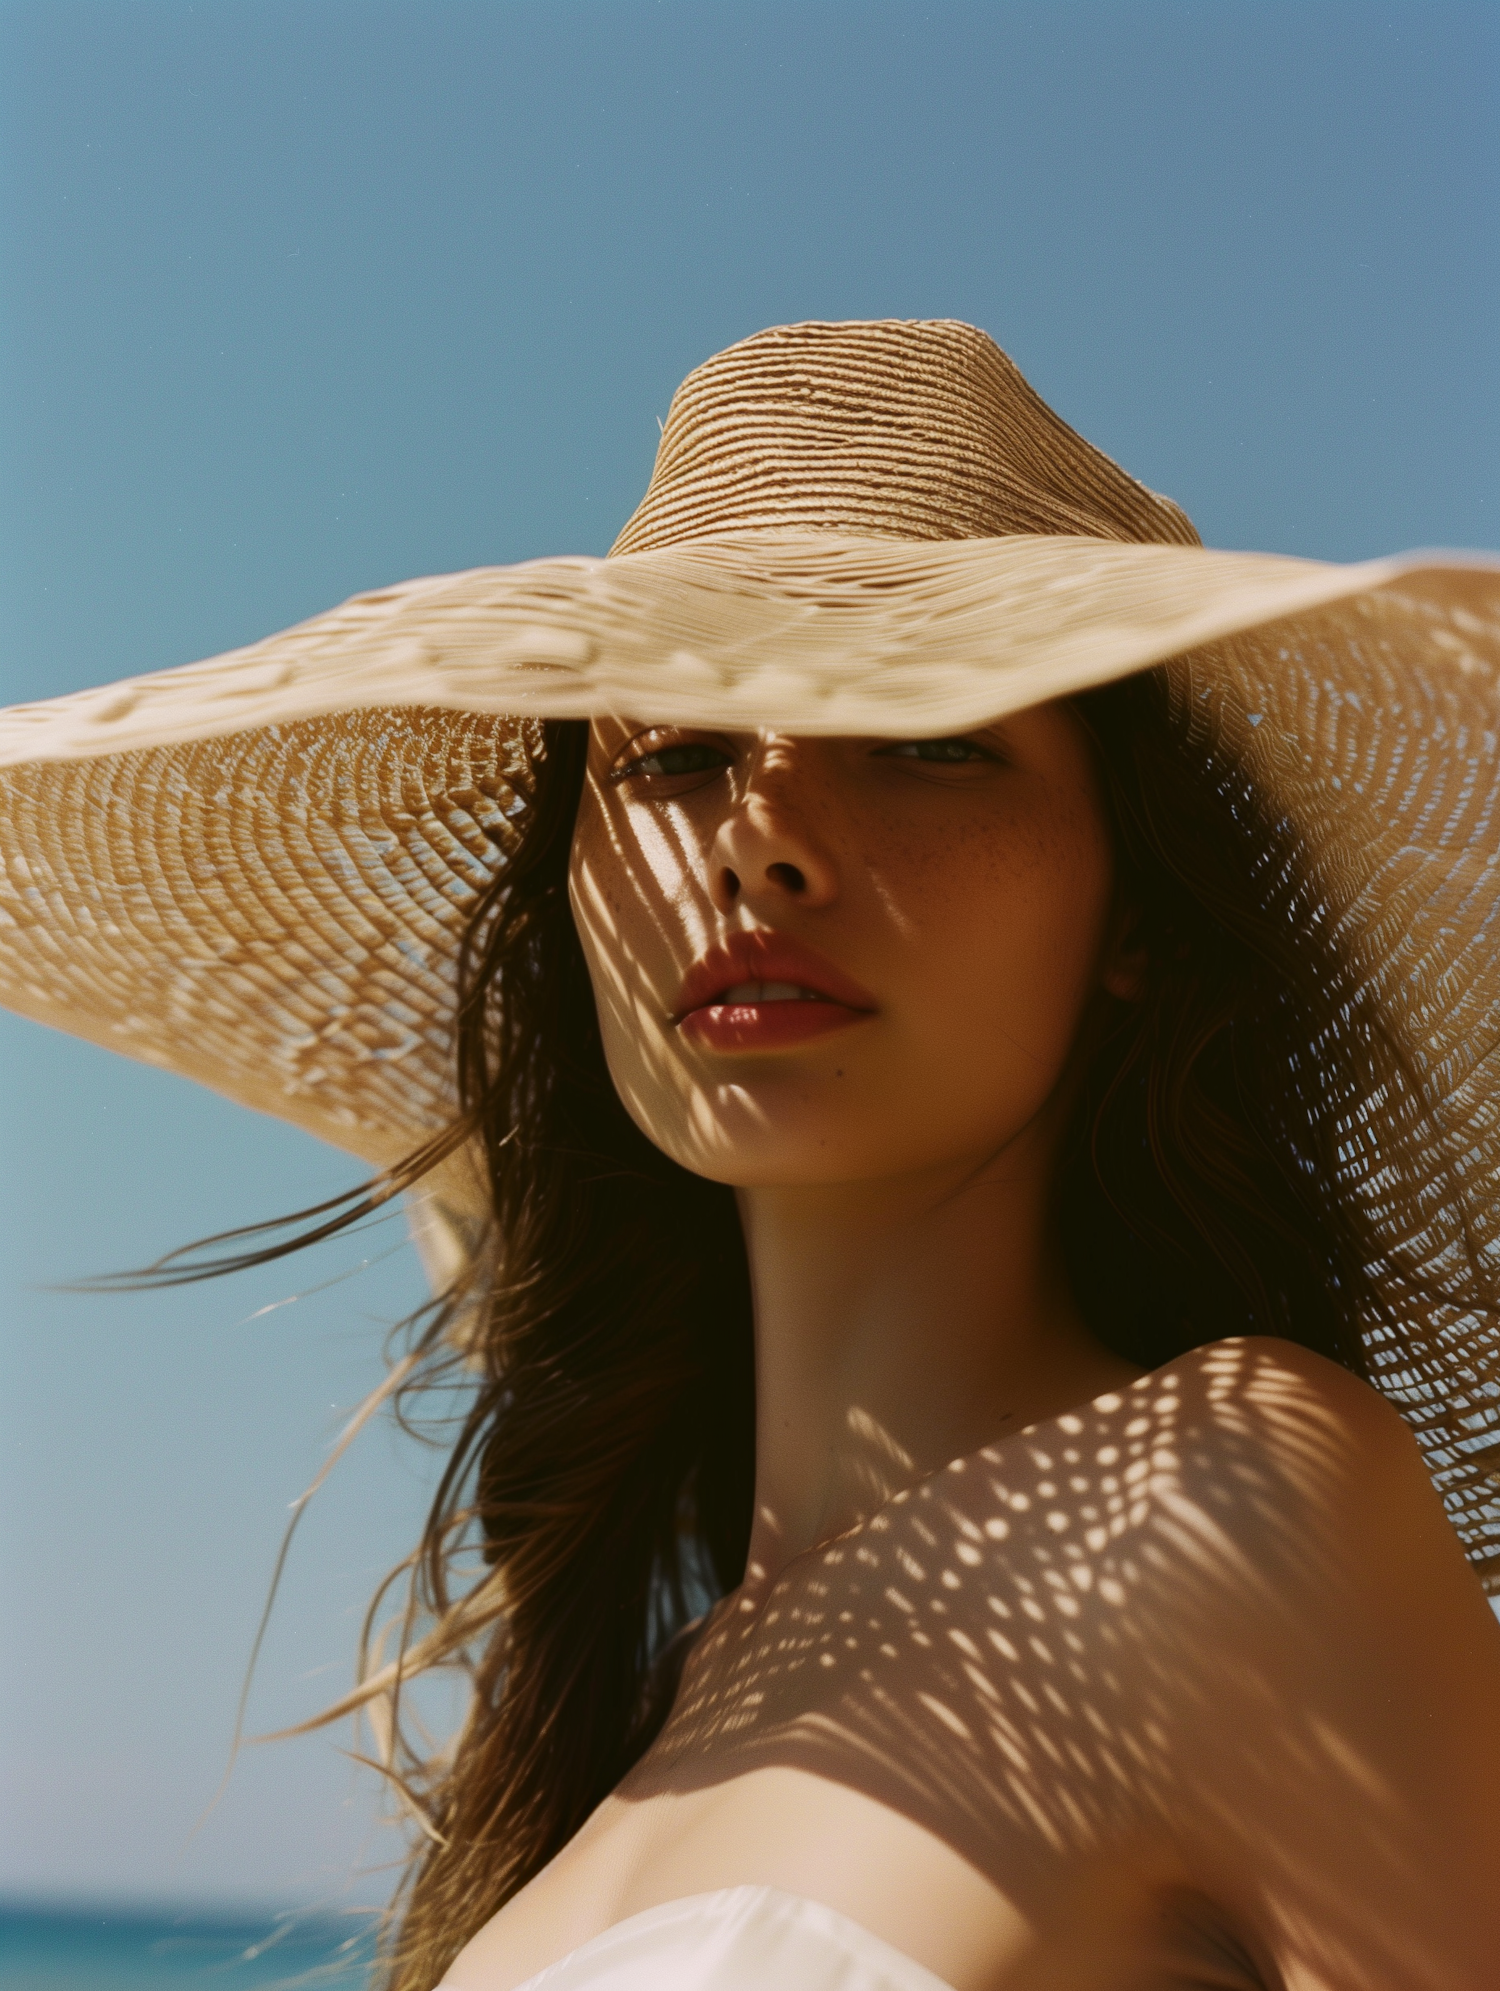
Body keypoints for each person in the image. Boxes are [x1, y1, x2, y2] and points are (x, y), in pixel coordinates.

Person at [2, 319, 1498, 1991]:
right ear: (572, 906)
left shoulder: (1242, 1492)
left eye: (931, 737)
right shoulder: (633, 1717)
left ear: (1137, 908)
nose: (763, 838)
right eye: (678, 755)